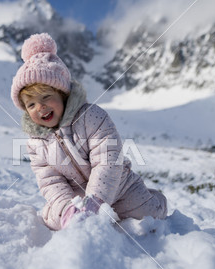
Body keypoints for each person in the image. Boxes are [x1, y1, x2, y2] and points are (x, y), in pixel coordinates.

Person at [11, 33, 167, 230]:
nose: (40, 107)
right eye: (31, 104)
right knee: (54, 219)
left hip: (119, 186)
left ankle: (156, 199)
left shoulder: (91, 116)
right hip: (77, 197)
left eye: (46, 97)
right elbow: (49, 180)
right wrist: (67, 207)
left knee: (146, 214)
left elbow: (108, 160)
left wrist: (95, 203)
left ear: (62, 94)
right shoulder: (35, 142)